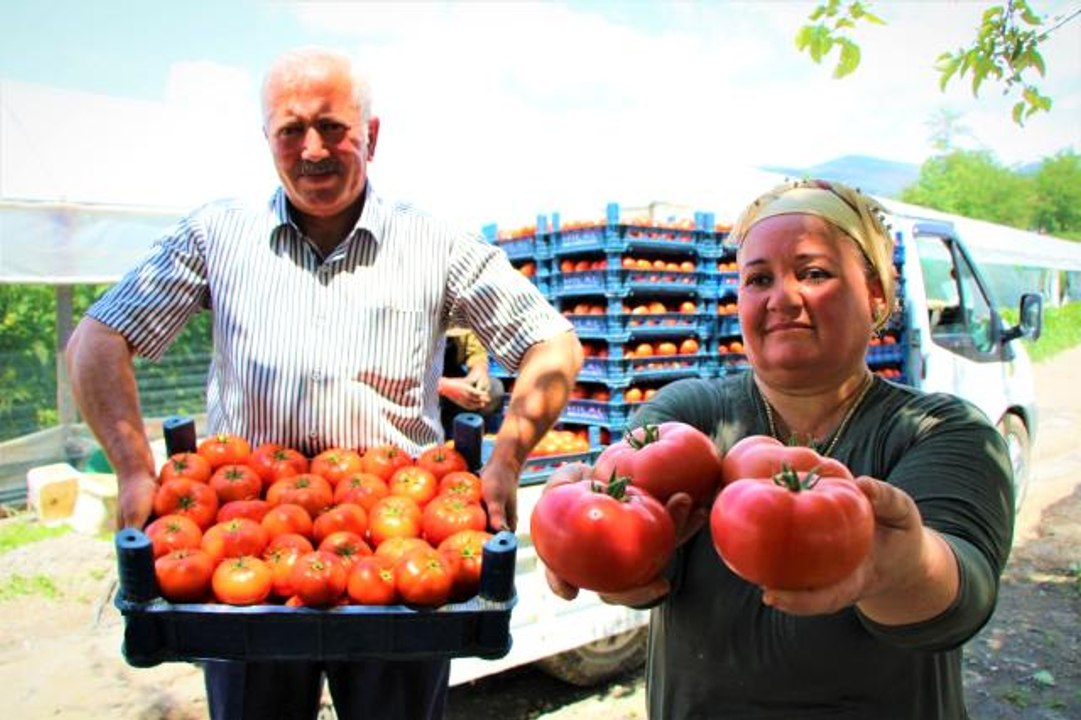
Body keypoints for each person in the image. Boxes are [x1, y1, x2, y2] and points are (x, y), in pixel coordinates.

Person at [65, 46, 583, 720]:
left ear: (370, 135)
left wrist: (507, 458)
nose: (312, 148)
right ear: (267, 140)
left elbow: (553, 342)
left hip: (402, 554)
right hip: (242, 547)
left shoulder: (433, 242)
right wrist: (136, 472)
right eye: (290, 129)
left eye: (333, 126)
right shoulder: (215, 235)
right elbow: (96, 340)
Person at [543, 179, 1014, 718]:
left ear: (876, 294)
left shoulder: (937, 429)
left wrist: (903, 567)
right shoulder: (689, 416)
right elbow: (642, 575)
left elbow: (965, 594)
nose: (782, 298)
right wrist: (595, 543)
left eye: (814, 273)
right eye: (758, 278)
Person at [438, 326, 505, 436]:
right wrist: (445, 387)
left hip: (455, 379)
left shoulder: (459, 316)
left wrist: (479, 370)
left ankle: (480, 439)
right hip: (418, 388)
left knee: (494, 389)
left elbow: (477, 352)